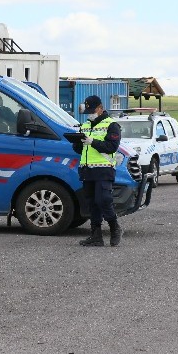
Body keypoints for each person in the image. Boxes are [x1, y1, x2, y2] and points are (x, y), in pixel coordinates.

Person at [72, 95, 124, 246]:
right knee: (92, 203)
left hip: (104, 168)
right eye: (88, 111)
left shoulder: (112, 125)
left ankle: (115, 228)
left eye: (92, 110)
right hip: (87, 169)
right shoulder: (85, 125)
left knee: (103, 200)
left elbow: (111, 147)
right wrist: (77, 141)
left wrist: (92, 141)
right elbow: (79, 150)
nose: (90, 113)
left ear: (100, 108)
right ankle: (96, 235)